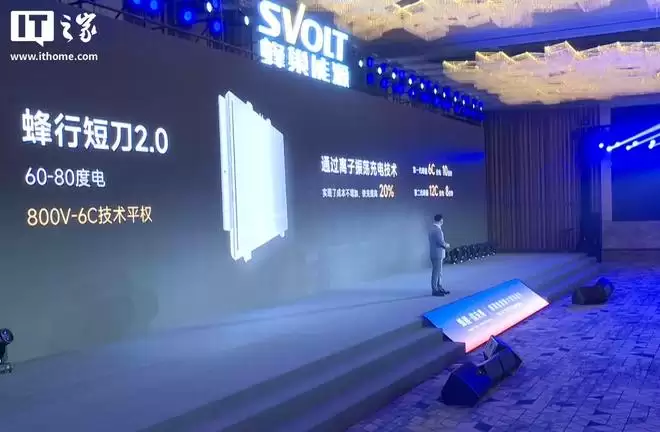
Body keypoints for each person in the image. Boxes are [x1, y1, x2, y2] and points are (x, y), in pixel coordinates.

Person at [429, 214, 450, 296]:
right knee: (436, 272)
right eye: (442, 220)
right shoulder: (437, 230)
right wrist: (447, 245)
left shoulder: (432, 229)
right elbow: (440, 242)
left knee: (439, 272)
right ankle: (435, 290)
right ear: (441, 220)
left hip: (435, 253)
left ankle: (439, 287)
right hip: (437, 254)